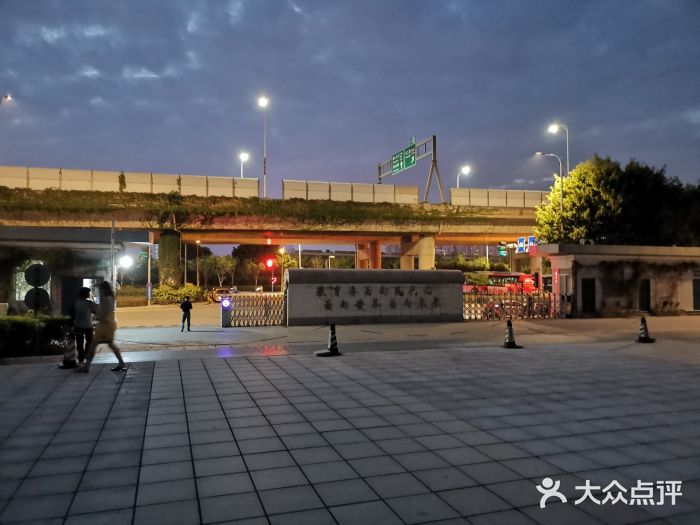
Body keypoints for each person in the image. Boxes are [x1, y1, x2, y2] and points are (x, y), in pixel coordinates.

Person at [78, 281, 126, 373]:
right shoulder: (109, 298)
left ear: (103, 289)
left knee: (94, 344)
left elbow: (104, 312)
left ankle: (87, 366)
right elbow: (106, 310)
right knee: (109, 344)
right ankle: (121, 363)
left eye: (100, 289)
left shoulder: (105, 298)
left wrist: (97, 313)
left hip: (105, 325)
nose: (99, 290)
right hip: (108, 324)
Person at [71, 287, 97, 366]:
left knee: (79, 343)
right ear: (87, 294)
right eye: (89, 293)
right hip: (88, 326)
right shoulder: (89, 303)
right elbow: (96, 311)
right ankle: (86, 354)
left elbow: (72, 315)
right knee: (89, 341)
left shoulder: (75, 303)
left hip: (78, 325)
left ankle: (81, 359)